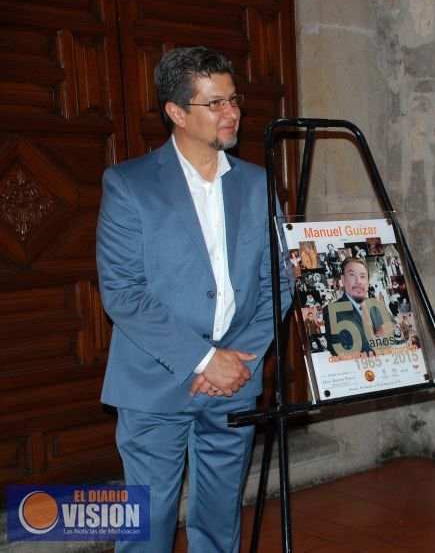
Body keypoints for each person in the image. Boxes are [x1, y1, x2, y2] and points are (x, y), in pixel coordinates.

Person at [96, 46, 290, 552]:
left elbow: (280, 281)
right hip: (155, 382)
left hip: (236, 378)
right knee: (148, 524)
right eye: (215, 104)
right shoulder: (129, 184)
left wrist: (239, 358)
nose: (232, 114)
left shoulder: (257, 183)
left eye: (234, 100)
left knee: (220, 519)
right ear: (177, 113)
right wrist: (205, 359)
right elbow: (123, 292)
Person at [323, 257, 389, 356]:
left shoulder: (377, 305)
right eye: (352, 275)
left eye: (362, 276)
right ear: (343, 279)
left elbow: (397, 337)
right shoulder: (332, 310)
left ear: (368, 281)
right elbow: (340, 353)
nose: (358, 281)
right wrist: (376, 341)